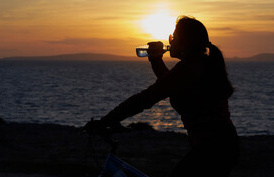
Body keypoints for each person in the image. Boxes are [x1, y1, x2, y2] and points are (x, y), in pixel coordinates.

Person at [85, 16, 239, 176]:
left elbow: (147, 97)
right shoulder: (200, 63)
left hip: (213, 147)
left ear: (185, 43)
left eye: (173, 37)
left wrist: (105, 121)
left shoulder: (190, 67)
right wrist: (156, 60)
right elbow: (171, 86)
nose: (170, 41)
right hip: (220, 145)